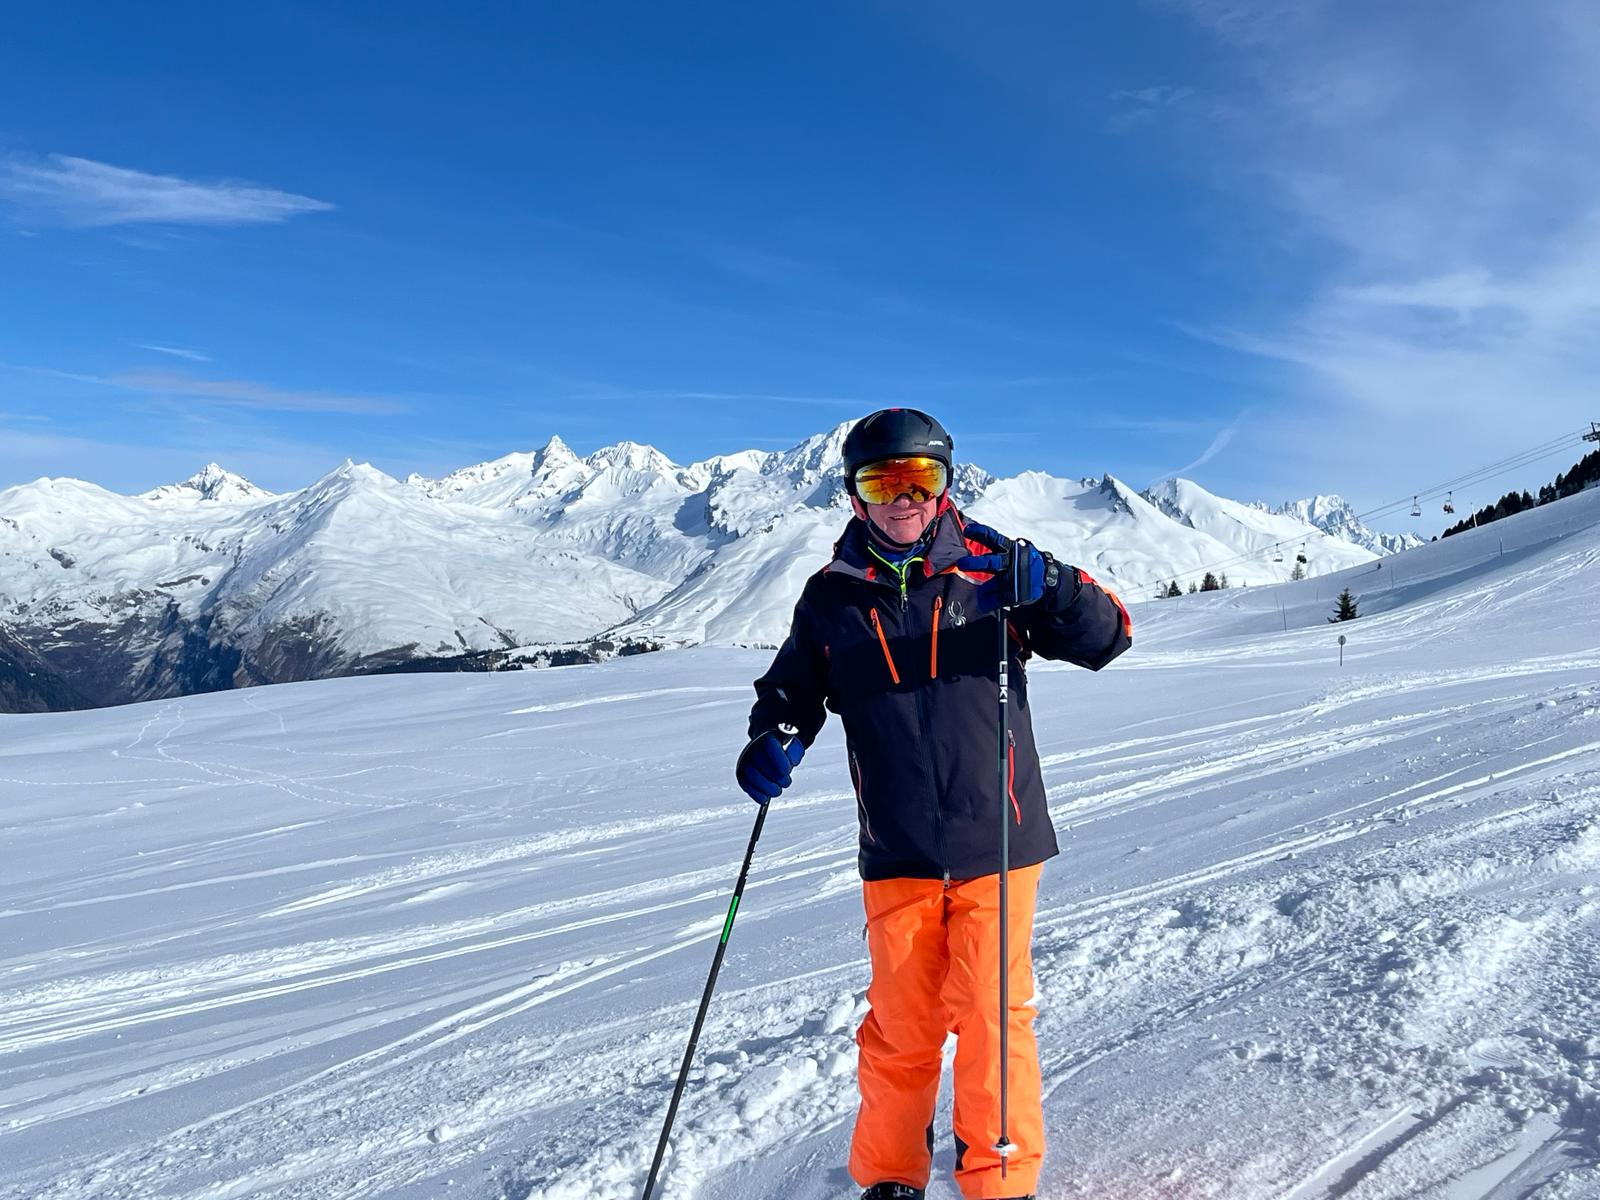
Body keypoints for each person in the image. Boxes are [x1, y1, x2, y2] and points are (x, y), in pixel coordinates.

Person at [736, 408, 1132, 1200]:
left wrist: (1053, 587)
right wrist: (775, 733)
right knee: (900, 1027)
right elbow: (793, 688)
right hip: (897, 847)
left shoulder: (993, 570)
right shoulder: (830, 597)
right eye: (881, 482)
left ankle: (999, 1179)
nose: (903, 500)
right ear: (854, 494)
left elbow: (1108, 637)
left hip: (999, 838)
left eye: (920, 479)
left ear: (945, 485)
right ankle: (890, 1176)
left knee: (991, 1015)